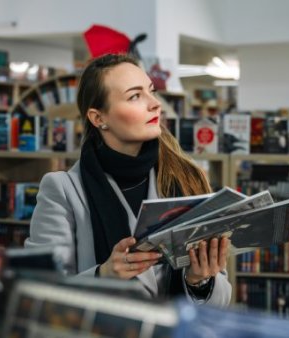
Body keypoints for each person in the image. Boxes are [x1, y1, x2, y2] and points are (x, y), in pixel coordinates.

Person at [25, 54, 231, 305]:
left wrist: (199, 281)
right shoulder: (63, 190)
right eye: (135, 96)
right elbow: (39, 291)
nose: (155, 104)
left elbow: (220, 299)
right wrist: (105, 274)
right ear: (98, 118)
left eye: (151, 91)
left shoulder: (187, 177)